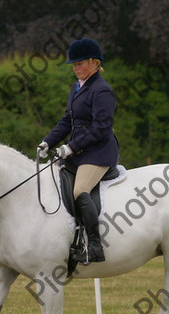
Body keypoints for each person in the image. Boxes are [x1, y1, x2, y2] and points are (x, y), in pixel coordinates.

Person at [38, 37, 119, 264]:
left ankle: (94, 246)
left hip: (99, 152)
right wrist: (48, 142)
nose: (75, 68)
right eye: (73, 64)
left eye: (80, 63)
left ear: (94, 63)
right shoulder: (76, 88)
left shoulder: (102, 91)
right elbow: (67, 121)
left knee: (79, 190)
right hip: (79, 151)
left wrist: (71, 147)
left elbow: (101, 128)